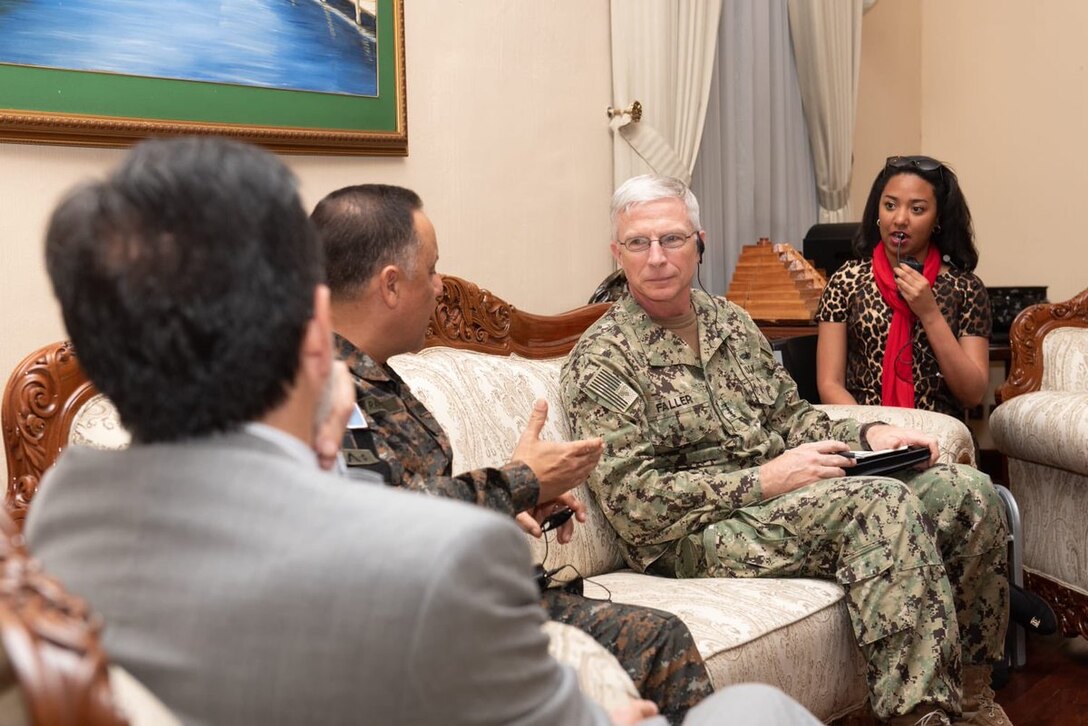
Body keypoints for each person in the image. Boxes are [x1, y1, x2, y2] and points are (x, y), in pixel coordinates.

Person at [560, 174, 1013, 726]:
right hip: (689, 537)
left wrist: (870, 436)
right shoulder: (603, 358)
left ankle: (971, 696)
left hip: (779, 500)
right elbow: (636, 504)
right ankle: (920, 716)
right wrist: (767, 479)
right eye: (638, 243)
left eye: (672, 239)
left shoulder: (731, 323)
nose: (656, 257)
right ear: (618, 252)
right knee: (877, 505)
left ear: (699, 241)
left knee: (966, 490)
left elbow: (791, 418)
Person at [310, 184, 715, 724]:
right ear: (390, 284)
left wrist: (523, 496)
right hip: (424, 631)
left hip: (464, 601)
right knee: (658, 641)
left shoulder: (379, 375)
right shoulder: (318, 390)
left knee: (658, 636)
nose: (438, 288)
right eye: (431, 271)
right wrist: (518, 480)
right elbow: (383, 525)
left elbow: (420, 502)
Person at [815, 155, 990, 418]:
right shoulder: (846, 281)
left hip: (938, 434)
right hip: (864, 430)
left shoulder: (965, 288)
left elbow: (972, 394)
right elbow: (830, 384)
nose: (900, 219)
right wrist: (874, 431)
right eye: (889, 205)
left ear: (937, 219)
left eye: (917, 209)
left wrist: (929, 312)